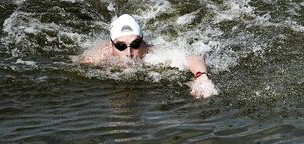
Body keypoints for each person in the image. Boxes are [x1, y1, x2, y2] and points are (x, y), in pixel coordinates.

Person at [79, 14, 218, 99]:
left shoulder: (151, 52)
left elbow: (194, 58)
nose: (129, 53)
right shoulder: (96, 58)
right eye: (121, 46)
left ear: (143, 43)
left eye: (135, 44)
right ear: (111, 46)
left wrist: (201, 77)